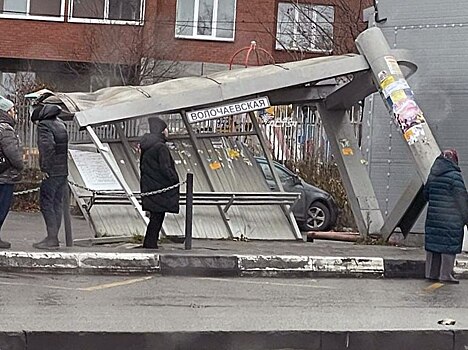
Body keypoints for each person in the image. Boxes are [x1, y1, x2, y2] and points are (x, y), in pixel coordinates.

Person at [424, 149, 468, 284]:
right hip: (450, 218)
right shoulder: (455, 176)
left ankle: (431, 273)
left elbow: (426, 194)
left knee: (433, 245)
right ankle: (445, 274)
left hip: (434, 216)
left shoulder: (433, 174)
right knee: (448, 245)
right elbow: (461, 199)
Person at [31, 104, 69, 249]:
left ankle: (51, 238)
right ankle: (54, 237)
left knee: (46, 203)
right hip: (62, 171)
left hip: (51, 171)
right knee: (57, 203)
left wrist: (45, 168)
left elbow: (47, 147)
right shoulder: (61, 124)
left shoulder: (44, 126)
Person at [139, 117, 180, 249]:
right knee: (157, 217)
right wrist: (174, 179)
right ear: (161, 131)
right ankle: (150, 244)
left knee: (155, 217)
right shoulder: (161, 147)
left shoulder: (147, 146)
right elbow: (165, 168)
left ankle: (150, 243)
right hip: (161, 188)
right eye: (165, 129)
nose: (167, 131)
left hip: (149, 187)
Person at [0, 96, 23, 249]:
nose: (15, 113)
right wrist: (21, 165)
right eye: (13, 109)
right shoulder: (6, 129)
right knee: (2, 207)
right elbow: (13, 153)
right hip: (5, 176)